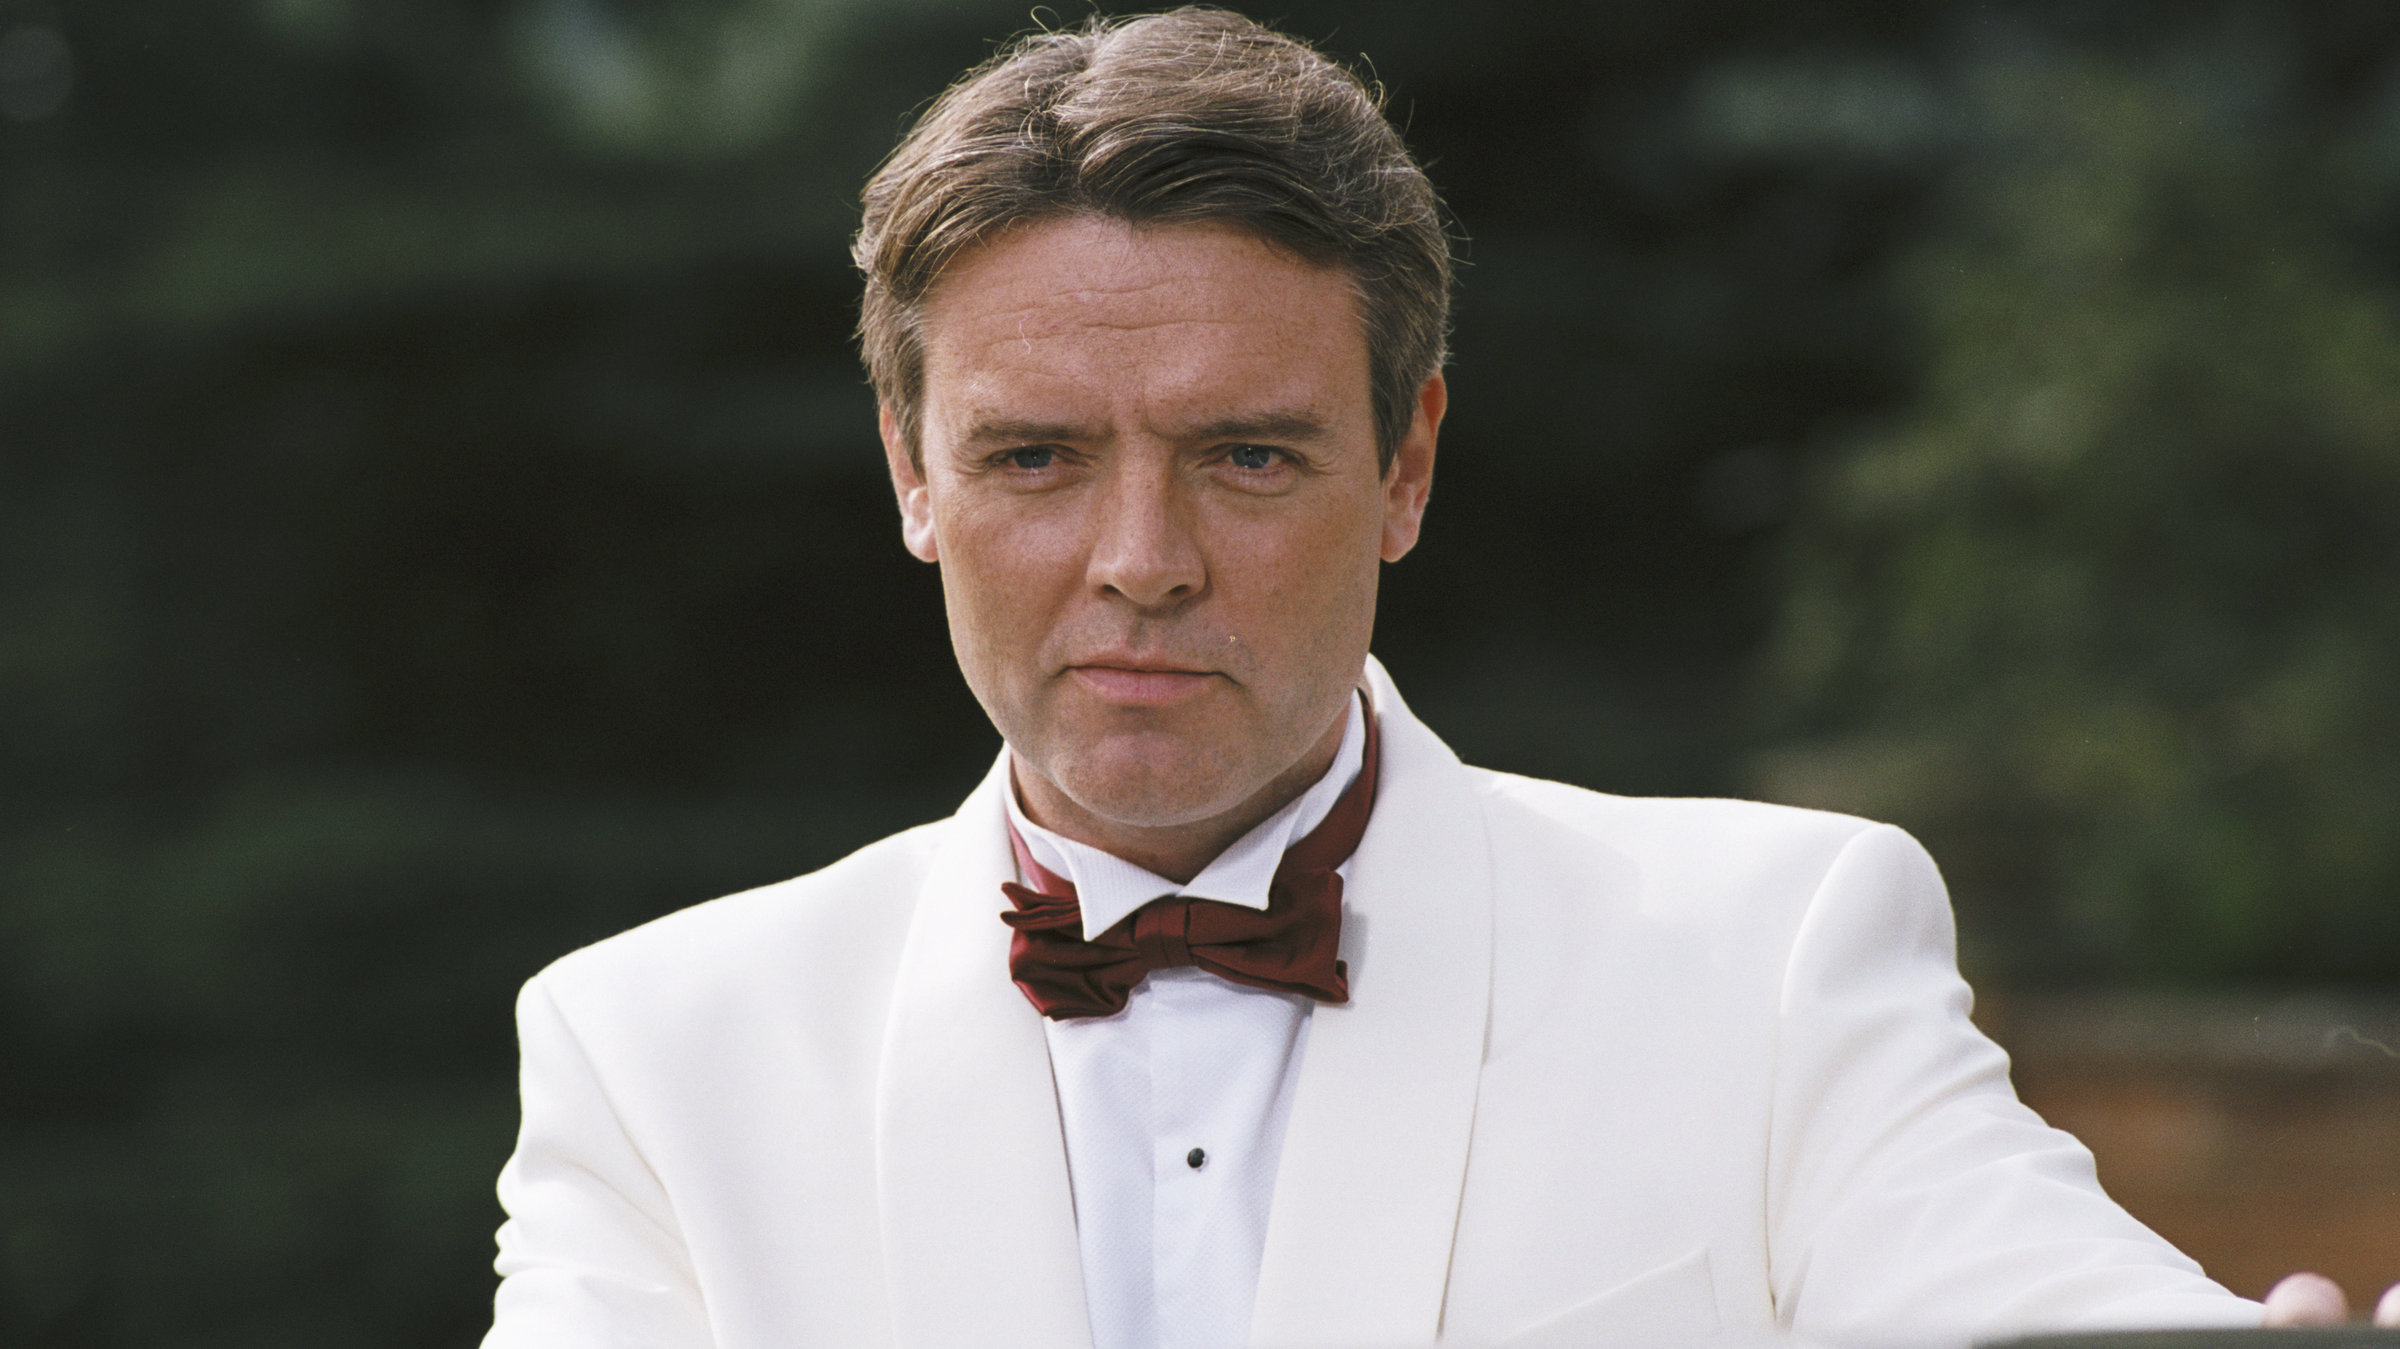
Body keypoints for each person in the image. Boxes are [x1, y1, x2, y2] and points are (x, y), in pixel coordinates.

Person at [479, 9, 2397, 1347]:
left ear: (1405, 465)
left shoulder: (1774, 954)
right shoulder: (653, 1055)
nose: (1140, 556)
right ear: (914, 472)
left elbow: (2043, 1310)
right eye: (1037, 457)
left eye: (1248, 454)